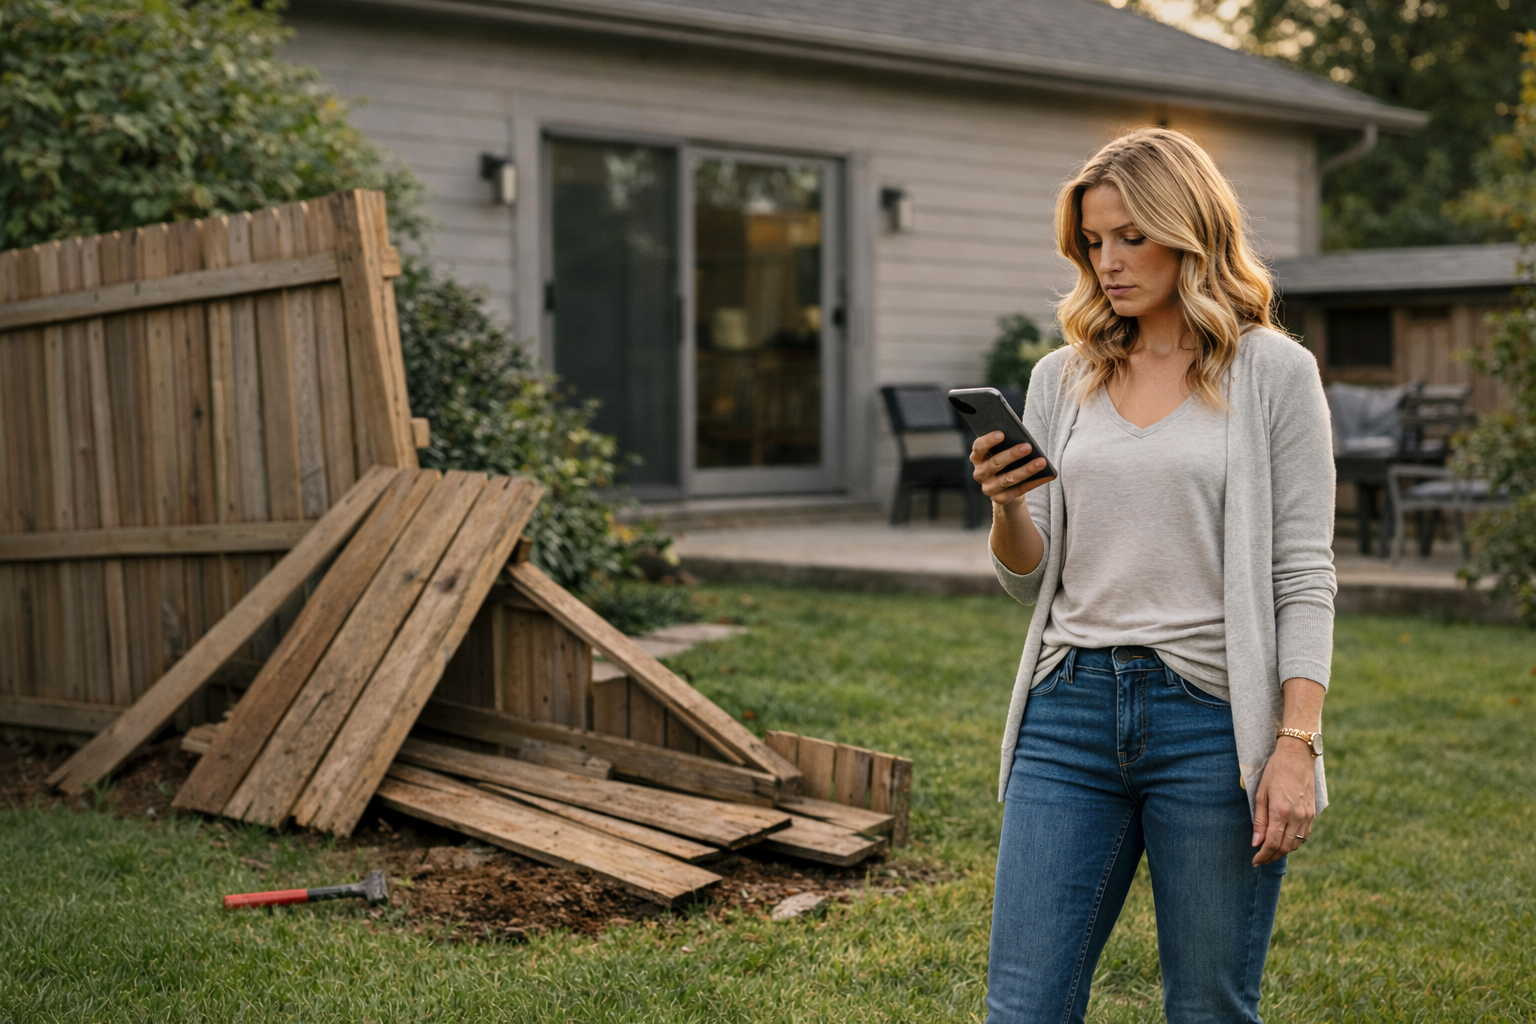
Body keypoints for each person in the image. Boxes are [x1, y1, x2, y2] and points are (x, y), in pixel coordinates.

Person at [975, 127, 1336, 1024]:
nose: (1108, 263)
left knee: (1208, 1007)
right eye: (1094, 243)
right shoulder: (1064, 377)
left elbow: (1303, 572)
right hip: (1068, 714)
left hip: (1211, 725)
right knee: (1021, 1008)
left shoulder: (1275, 375)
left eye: (1130, 236)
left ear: (1190, 230)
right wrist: (1006, 506)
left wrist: (1296, 742)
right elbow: (1030, 577)